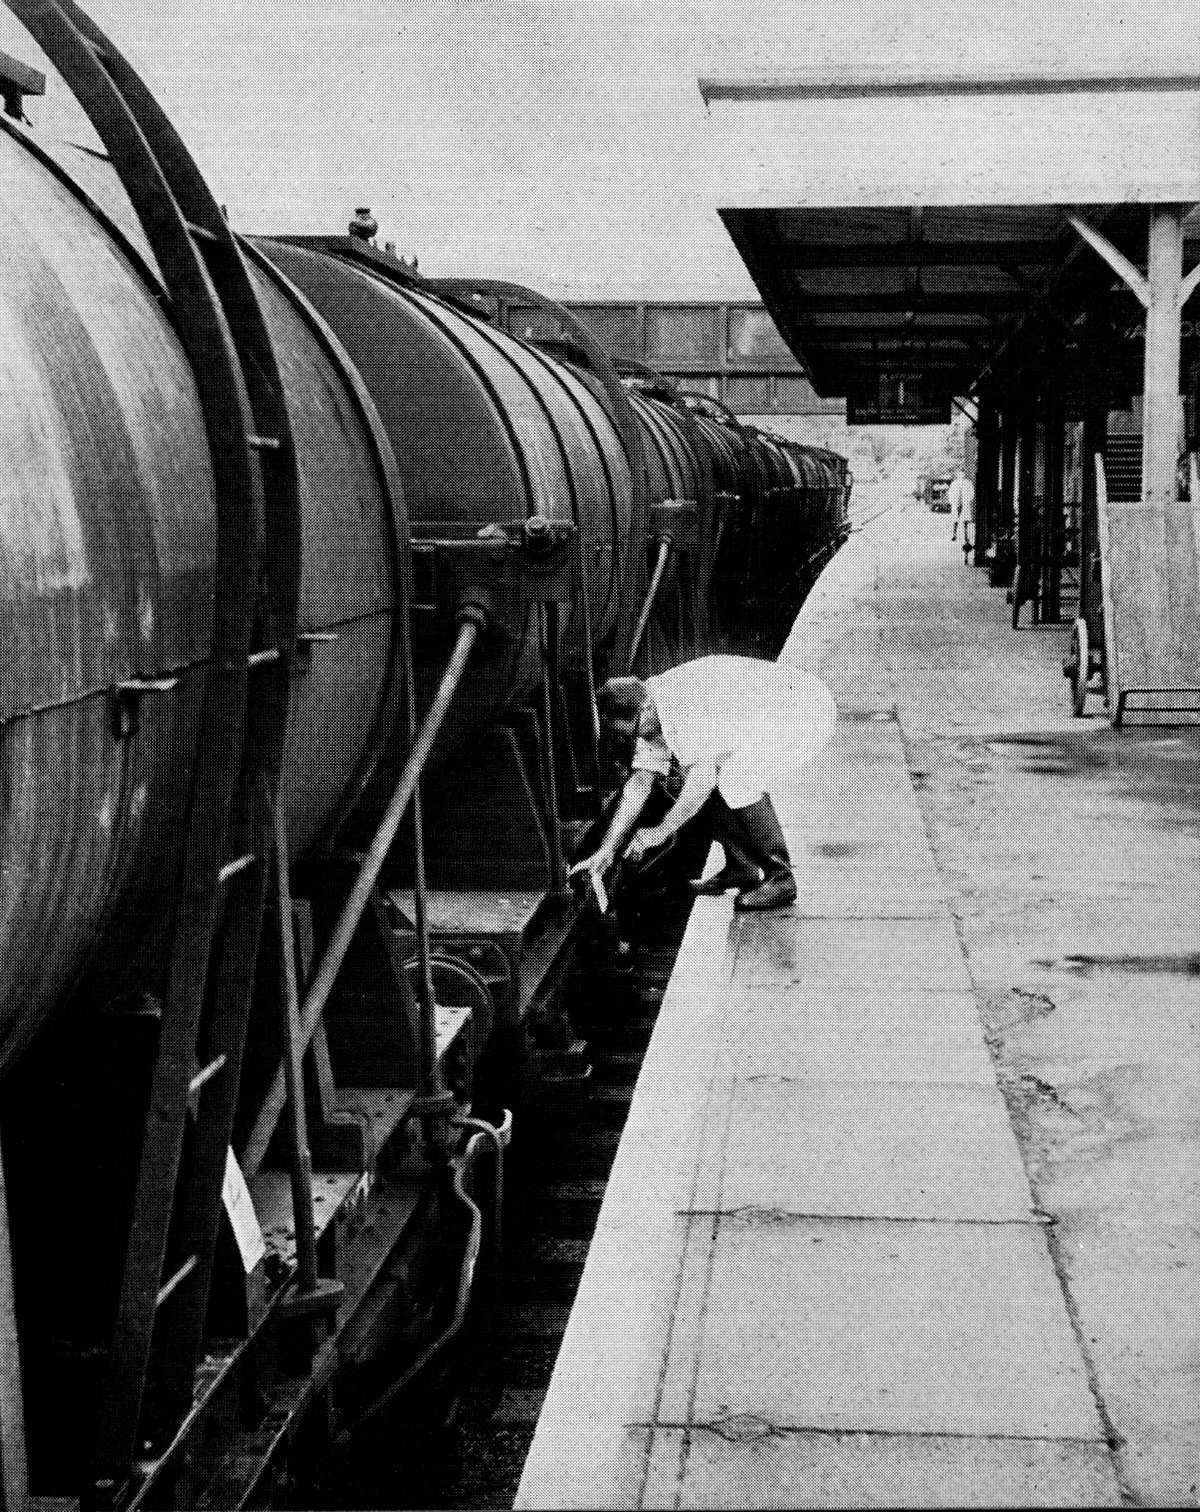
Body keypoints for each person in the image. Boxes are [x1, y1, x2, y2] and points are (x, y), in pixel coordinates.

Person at [570, 656, 836, 913]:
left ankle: (781, 878)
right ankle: (742, 868)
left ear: (646, 708)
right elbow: (639, 783)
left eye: (636, 730)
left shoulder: (682, 705)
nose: (638, 738)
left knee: (735, 778)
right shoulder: (651, 708)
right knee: (707, 775)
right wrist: (606, 850)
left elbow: (703, 781)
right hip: (768, 713)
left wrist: (659, 832)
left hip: (804, 710)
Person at [948, 465, 975, 546]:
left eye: (962, 473)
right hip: (956, 503)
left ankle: (966, 536)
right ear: (957, 474)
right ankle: (954, 535)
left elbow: (972, 493)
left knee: (965, 521)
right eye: (959, 473)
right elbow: (950, 493)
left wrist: (967, 500)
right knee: (955, 520)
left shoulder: (968, 483)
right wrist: (952, 501)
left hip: (964, 503)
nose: (961, 474)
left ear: (964, 474)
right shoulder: (954, 483)